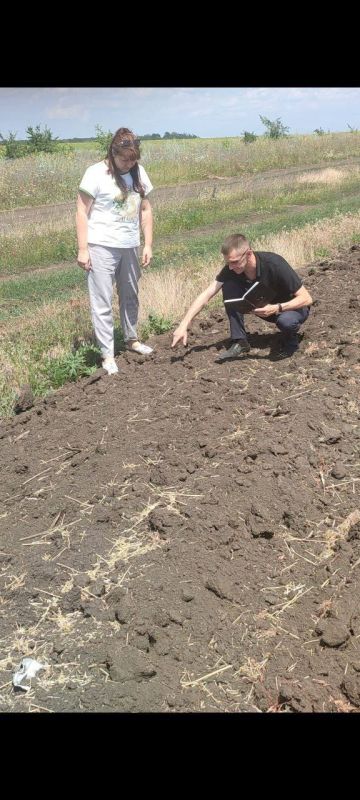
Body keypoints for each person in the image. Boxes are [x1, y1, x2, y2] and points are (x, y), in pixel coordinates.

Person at [76, 127, 154, 375]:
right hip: (101, 246)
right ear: (113, 152)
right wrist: (82, 249)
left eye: (133, 159)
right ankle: (107, 354)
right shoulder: (95, 173)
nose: (128, 164)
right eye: (124, 159)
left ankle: (132, 340)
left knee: (130, 294)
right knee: (102, 301)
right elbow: (81, 211)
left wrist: (148, 243)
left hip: (130, 245)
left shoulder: (138, 172)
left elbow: (145, 210)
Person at [172, 233, 313, 360]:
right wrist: (184, 324)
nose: (231, 267)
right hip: (264, 308)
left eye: (234, 262)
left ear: (249, 253)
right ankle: (240, 341)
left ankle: (291, 341)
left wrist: (277, 308)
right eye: (228, 262)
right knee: (228, 285)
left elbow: (307, 299)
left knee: (286, 322)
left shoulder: (274, 264)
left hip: (292, 309)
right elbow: (207, 293)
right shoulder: (232, 269)